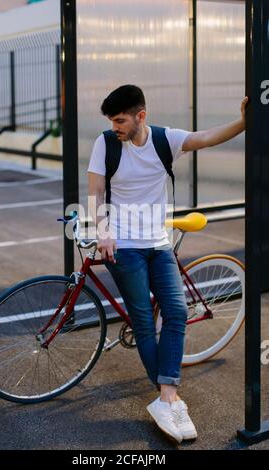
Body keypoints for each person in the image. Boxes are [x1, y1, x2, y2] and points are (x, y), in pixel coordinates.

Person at [87, 84, 247, 444]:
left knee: (175, 311)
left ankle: (166, 397)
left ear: (141, 116)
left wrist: (242, 123)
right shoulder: (106, 143)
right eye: (112, 120)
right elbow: (95, 190)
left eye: (121, 120)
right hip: (124, 245)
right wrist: (103, 231)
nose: (115, 126)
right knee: (144, 321)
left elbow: (205, 137)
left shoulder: (164, 140)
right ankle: (170, 399)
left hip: (159, 244)